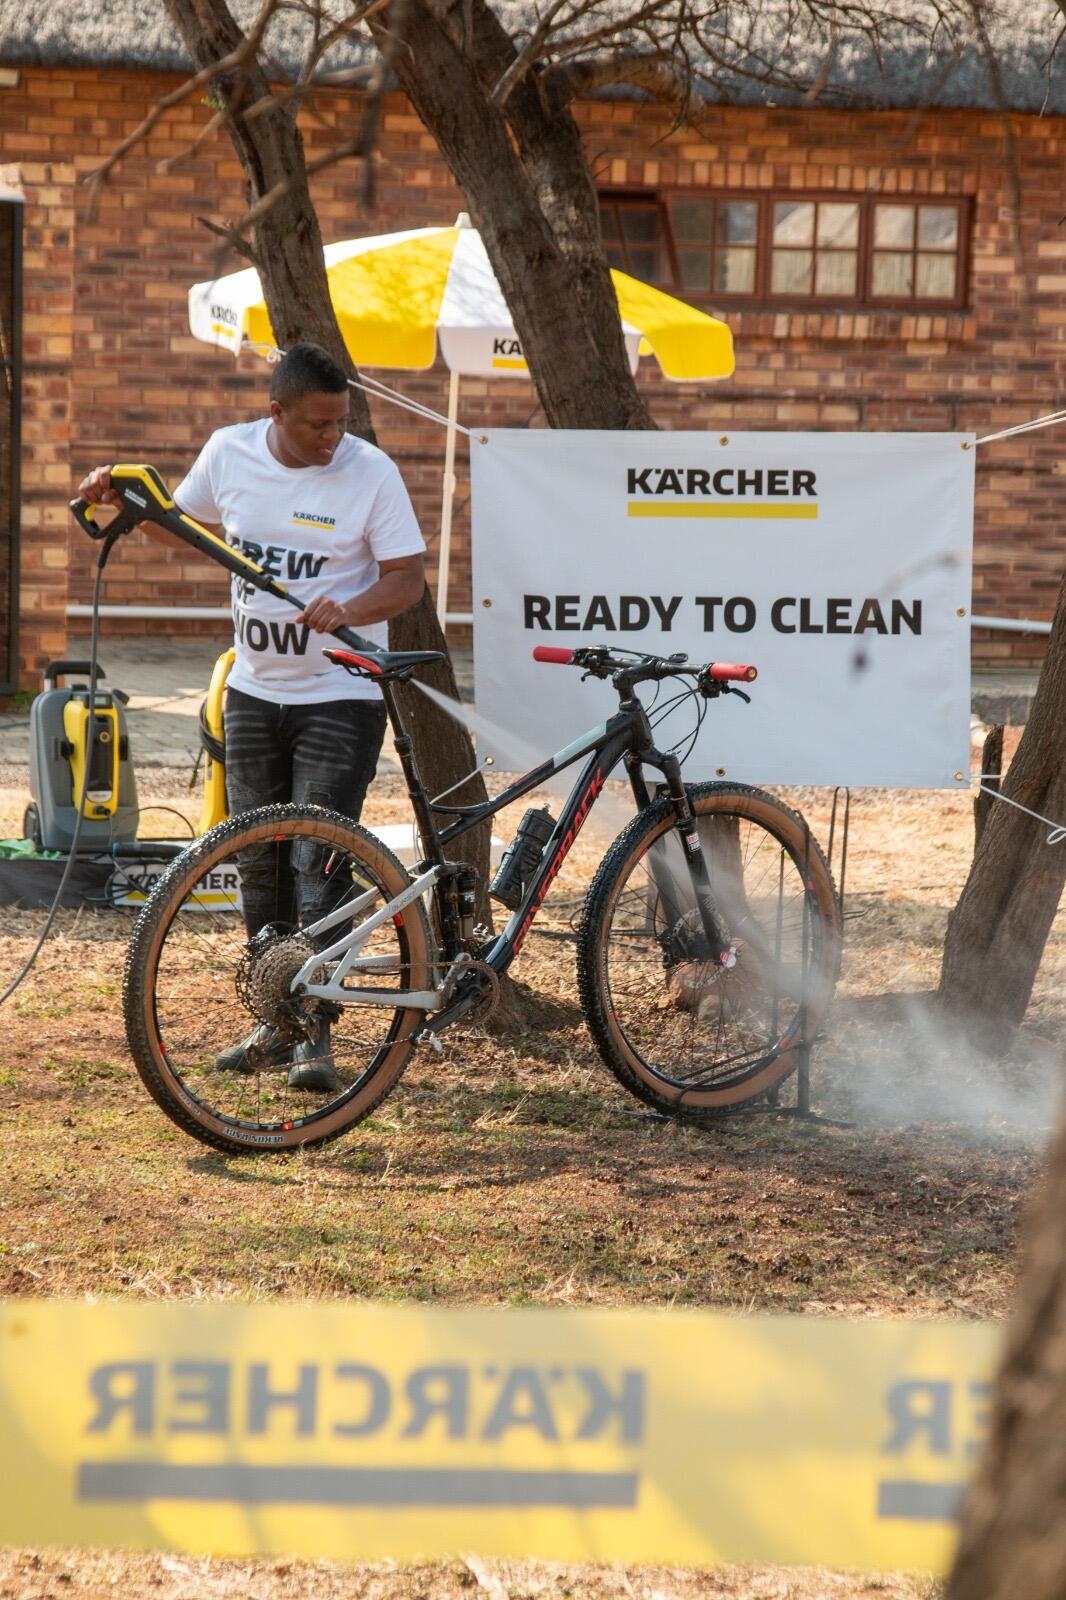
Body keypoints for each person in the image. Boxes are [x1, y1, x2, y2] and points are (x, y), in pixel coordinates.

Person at [77, 341, 426, 1092]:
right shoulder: (230, 454)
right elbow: (186, 524)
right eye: (316, 425)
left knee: (317, 860)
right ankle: (275, 1020)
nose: (332, 437)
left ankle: (316, 1040)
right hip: (254, 693)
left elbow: (406, 578)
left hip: (341, 695)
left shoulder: (371, 473)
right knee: (256, 864)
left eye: (340, 422)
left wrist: (352, 608)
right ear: (276, 413)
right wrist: (123, 501)